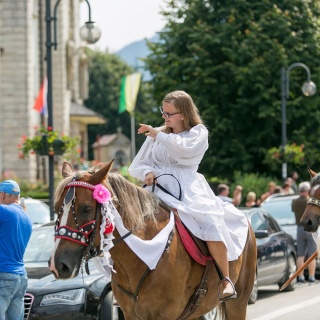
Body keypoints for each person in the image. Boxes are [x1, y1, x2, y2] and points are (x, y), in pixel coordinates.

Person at [128, 90, 249, 301]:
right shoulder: (158, 134)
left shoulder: (197, 133)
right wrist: (147, 172)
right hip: (157, 186)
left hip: (187, 187)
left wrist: (159, 135)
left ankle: (225, 279)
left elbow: (185, 151)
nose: (164, 118)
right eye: (163, 113)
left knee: (210, 221)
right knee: (133, 220)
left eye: (169, 114)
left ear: (183, 113)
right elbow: (137, 164)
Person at [0, 180, 32, 319]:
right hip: (20, 276)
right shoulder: (27, 217)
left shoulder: (4, 211)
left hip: (4, 274)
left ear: (2, 195)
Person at [292, 181, 317, 283]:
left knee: (300, 254)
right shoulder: (310, 201)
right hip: (310, 229)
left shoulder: (294, 201)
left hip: (299, 228)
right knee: (312, 254)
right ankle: (311, 277)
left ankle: (301, 277)